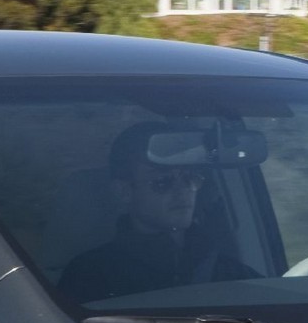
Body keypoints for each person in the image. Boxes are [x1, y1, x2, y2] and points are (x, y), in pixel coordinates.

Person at [58, 123, 252, 304]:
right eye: (162, 181)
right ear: (124, 191)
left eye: (190, 178)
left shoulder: (227, 270)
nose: (182, 190)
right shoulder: (89, 276)